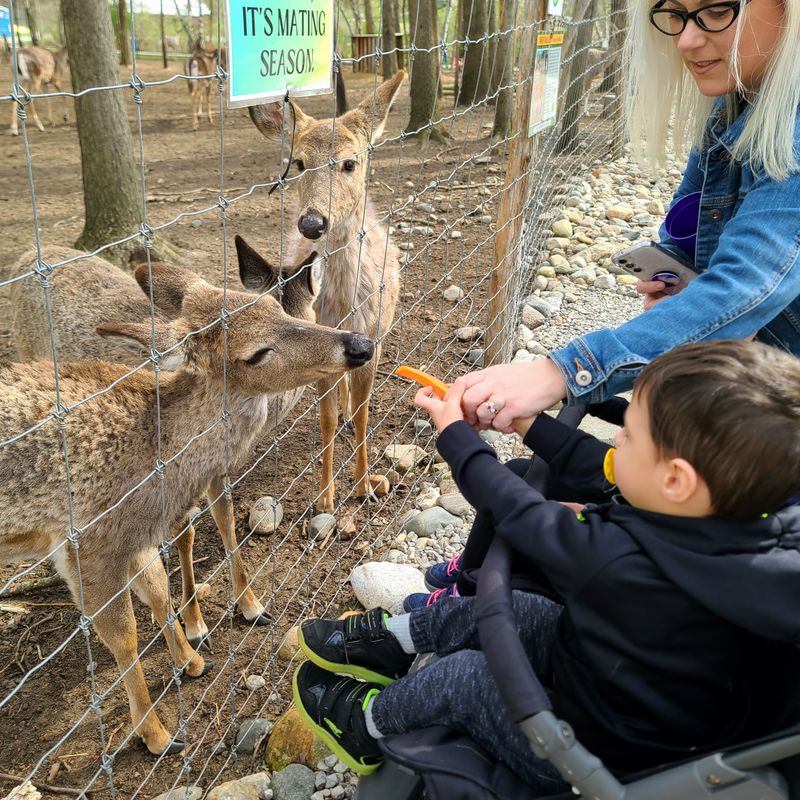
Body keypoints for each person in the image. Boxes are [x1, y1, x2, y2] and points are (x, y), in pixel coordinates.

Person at [291, 340, 800, 790]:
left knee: (467, 677)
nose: (616, 441)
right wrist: (527, 424)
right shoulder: (741, 522)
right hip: (611, 681)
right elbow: (602, 471)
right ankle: (393, 642)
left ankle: (365, 725)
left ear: (676, 480)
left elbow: (518, 510)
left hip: (590, 755)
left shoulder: (620, 561)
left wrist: (455, 437)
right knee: (525, 610)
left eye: (630, 435)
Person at [460, 0, 800, 435]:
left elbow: (747, 286)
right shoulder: (736, 98)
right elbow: (685, 233)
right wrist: (677, 284)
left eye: (716, 11)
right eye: (675, 15)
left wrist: (562, 372)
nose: (685, 40)